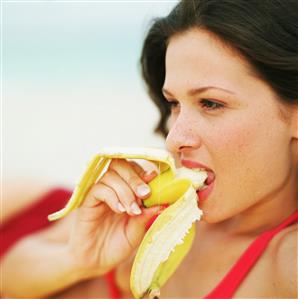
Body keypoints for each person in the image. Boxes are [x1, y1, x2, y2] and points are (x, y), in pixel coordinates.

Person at [1, 0, 297, 298]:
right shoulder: (152, 197)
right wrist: (79, 260)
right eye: (174, 104)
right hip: (27, 211)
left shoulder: (287, 263)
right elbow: (7, 277)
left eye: (211, 103)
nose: (173, 139)